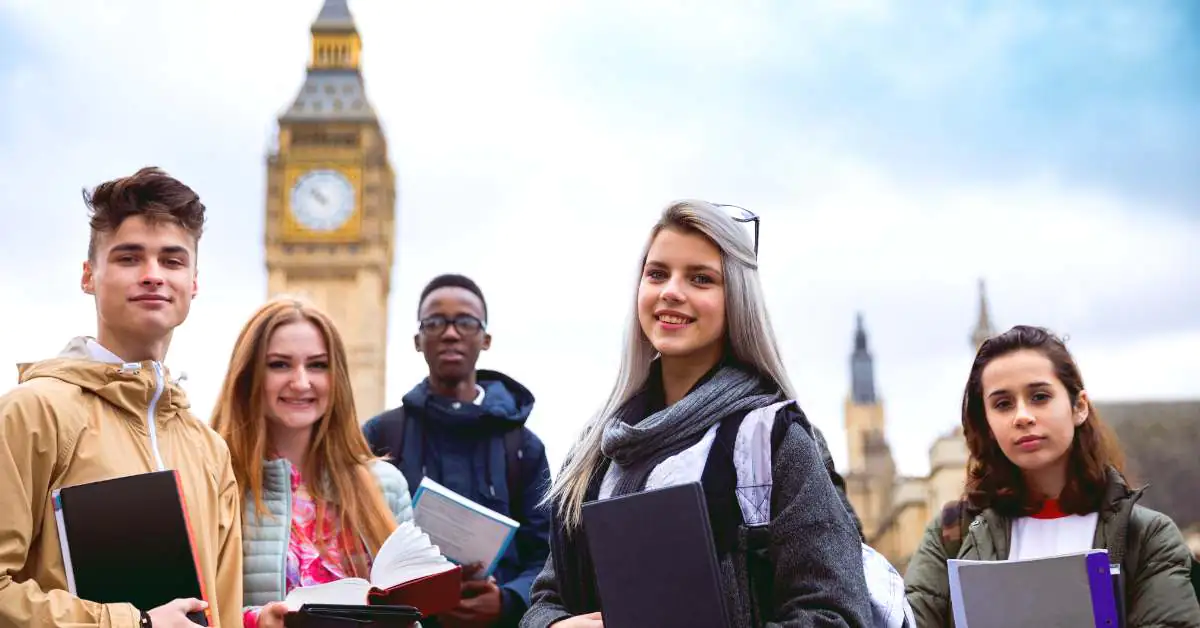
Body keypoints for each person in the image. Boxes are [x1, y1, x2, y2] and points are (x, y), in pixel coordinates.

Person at [520, 200, 874, 628]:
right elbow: (546, 597)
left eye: (701, 278)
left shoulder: (774, 440)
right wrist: (555, 627)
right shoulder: (595, 449)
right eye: (657, 273)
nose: (671, 290)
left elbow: (836, 614)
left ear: (737, 301)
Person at [0, 167, 242, 628]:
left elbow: (223, 614)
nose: (153, 276)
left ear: (193, 282)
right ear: (89, 275)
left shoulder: (209, 450)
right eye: (130, 258)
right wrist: (135, 625)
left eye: (172, 261)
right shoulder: (31, 413)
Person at [904, 325, 1200, 626]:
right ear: (988, 423)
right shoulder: (952, 534)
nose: (1022, 416)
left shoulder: (1147, 536)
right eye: (1003, 404)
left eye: (1040, 396)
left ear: (1079, 407)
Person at [210, 297, 415, 628]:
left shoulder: (386, 485)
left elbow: (412, 614)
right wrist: (255, 621)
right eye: (279, 364)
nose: (301, 382)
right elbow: (188, 609)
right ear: (248, 375)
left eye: (318, 365)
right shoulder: (216, 483)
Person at [362, 274, 552, 628]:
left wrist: (508, 600)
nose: (450, 333)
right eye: (435, 322)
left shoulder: (524, 448)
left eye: (465, 322)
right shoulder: (381, 435)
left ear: (486, 339)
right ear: (418, 340)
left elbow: (546, 555)